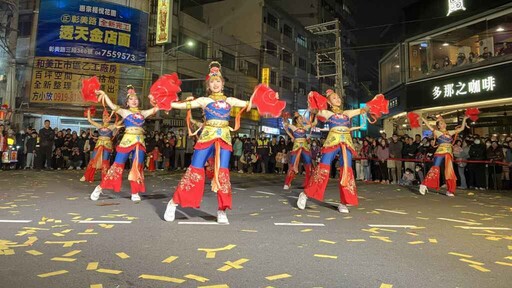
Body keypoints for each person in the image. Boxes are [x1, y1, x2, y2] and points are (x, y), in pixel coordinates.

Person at [164, 61, 256, 224]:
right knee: (195, 169)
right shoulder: (204, 100)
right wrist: (163, 102)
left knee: (223, 173)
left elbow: (251, 104)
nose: (215, 84)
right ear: (208, 84)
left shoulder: (230, 100)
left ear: (223, 84)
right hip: (207, 136)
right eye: (212, 81)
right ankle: (174, 202)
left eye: (218, 81)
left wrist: (266, 99)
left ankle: (222, 210)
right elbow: (182, 105)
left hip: (225, 138)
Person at [297, 89, 369, 213]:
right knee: (323, 168)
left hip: (346, 143)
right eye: (334, 98)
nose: (338, 99)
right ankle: (305, 194)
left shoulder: (347, 113)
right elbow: (315, 110)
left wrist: (372, 105)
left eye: (338, 98)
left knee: (347, 170)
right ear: (329, 102)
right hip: (332, 142)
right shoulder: (327, 114)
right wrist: (313, 104)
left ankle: (344, 202)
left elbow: (362, 110)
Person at [90, 85, 159, 202]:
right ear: (127, 102)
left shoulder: (143, 113)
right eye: (131, 99)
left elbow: (157, 108)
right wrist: (104, 94)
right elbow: (112, 106)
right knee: (117, 166)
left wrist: (159, 98)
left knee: (137, 167)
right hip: (126, 142)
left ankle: (135, 192)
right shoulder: (125, 112)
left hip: (140, 143)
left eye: (136, 99)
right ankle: (100, 188)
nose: (134, 101)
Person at [419, 115, 468, 196]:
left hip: (448, 153)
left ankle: (450, 190)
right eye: (441, 123)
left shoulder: (450, 132)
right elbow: (429, 125)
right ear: (438, 126)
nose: (443, 124)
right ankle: (424, 184)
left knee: (449, 171)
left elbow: (462, 129)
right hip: (440, 152)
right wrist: (422, 118)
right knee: (435, 168)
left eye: (444, 123)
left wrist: (465, 119)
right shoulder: (438, 132)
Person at [81, 109, 117, 182]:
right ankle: (86, 176)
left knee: (105, 161)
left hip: (107, 145)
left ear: (110, 118)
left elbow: (120, 122)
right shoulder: (99, 126)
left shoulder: (112, 126)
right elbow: (90, 120)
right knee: (93, 160)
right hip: (99, 144)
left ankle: (105, 177)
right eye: (104, 117)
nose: (105, 118)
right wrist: (88, 112)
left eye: (107, 117)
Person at [283, 112, 316, 190]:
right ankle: (287, 183)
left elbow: (315, 123)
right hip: (296, 147)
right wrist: (285, 117)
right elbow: (285, 125)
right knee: (292, 164)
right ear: (297, 120)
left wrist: (315, 114)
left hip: (305, 147)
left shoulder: (305, 127)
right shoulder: (294, 127)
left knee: (308, 165)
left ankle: (308, 183)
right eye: (300, 118)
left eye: (302, 118)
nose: (302, 120)